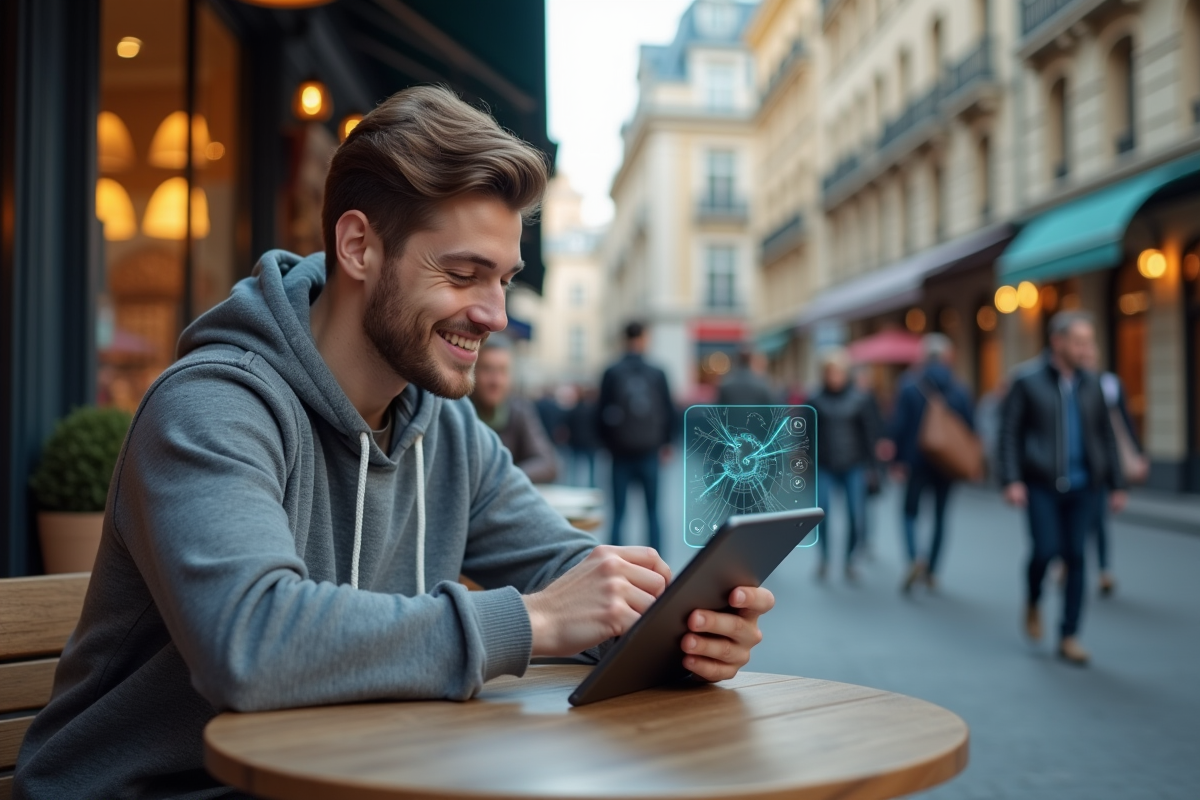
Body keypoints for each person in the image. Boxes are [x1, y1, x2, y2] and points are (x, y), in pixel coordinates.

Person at [14, 87, 775, 799]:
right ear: (357, 247)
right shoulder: (212, 406)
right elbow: (249, 643)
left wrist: (674, 628)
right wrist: (537, 622)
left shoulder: (440, 426)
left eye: (504, 279)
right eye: (464, 274)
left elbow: (562, 565)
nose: (494, 314)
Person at [997, 310, 1126, 667]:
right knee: (1045, 550)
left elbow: (1105, 436)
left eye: (1089, 342)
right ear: (1058, 342)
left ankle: (1069, 635)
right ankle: (1033, 598)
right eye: (1079, 342)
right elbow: (1008, 433)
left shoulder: (1094, 383)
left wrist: (1117, 485)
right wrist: (1011, 480)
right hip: (1040, 485)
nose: (1087, 349)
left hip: (1085, 486)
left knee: (1076, 557)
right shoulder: (1026, 380)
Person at [885, 333, 975, 592]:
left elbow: (899, 425)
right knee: (940, 516)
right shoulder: (959, 388)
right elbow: (970, 427)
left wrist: (897, 460)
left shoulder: (909, 385)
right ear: (948, 357)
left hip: (916, 461)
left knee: (909, 513)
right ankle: (933, 570)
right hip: (947, 463)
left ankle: (915, 558)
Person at [597, 321, 675, 551]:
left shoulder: (611, 372)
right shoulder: (658, 372)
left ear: (624, 339)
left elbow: (599, 412)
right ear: (644, 339)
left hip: (620, 453)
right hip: (650, 451)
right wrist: (667, 444)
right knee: (653, 512)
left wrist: (608, 445)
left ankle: (614, 562)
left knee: (618, 513)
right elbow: (669, 410)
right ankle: (657, 564)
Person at [808, 348, 877, 581]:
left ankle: (849, 560)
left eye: (838, 372)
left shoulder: (860, 399)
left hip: (853, 464)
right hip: (825, 465)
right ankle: (824, 559)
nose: (834, 377)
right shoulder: (815, 400)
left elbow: (869, 436)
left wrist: (873, 469)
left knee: (856, 515)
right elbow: (806, 435)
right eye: (830, 372)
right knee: (822, 512)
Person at [1081, 337, 1144, 596]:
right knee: (1077, 518)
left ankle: (1104, 569)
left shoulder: (1108, 384)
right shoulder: (1066, 386)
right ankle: (1068, 560)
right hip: (1074, 463)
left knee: (1098, 517)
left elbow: (1123, 421)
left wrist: (1137, 452)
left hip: (1102, 462)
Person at [470, 335, 559, 484]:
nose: (496, 381)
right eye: (487, 369)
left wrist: (503, 476)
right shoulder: (458, 411)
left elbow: (548, 464)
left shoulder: (519, 411)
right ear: (471, 372)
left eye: (502, 371)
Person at [566, 384, 601, 488]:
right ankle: (591, 485)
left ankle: (574, 486)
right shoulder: (594, 410)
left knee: (575, 466)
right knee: (592, 466)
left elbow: (568, 425)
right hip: (590, 442)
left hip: (577, 441)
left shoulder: (574, 409)